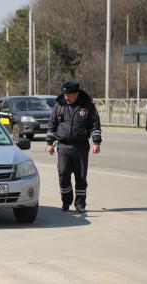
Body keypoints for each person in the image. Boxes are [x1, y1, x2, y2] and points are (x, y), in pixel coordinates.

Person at [46, 81, 102, 213]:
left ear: (76, 93)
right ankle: (66, 200)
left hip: (80, 146)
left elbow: (95, 124)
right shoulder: (59, 105)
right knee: (63, 173)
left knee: (81, 176)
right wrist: (49, 143)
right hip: (63, 146)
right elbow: (52, 124)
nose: (66, 97)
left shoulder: (87, 106)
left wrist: (96, 142)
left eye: (69, 95)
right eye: (65, 94)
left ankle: (80, 203)